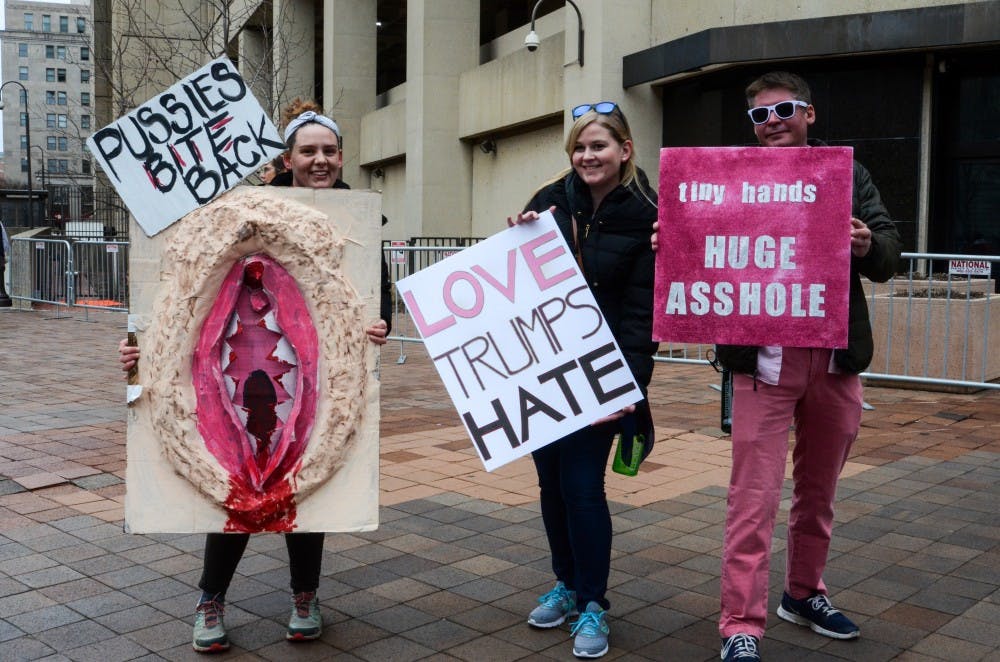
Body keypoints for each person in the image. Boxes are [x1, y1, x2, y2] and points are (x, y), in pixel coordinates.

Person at [119, 98, 391, 653]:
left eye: (330, 151)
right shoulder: (235, 211)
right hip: (234, 371)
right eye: (308, 151)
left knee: (311, 497)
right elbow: (158, 305)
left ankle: (305, 595)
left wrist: (380, 326)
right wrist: (139, 352)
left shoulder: (359, 225)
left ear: (342, 157)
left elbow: (374, 300)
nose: (321, 160)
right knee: (231, 496)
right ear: (287, 158)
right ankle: (210, 598)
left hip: (305, 382)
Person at [709, 72, 902, 662]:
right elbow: (702, 248)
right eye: (760, 115)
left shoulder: (847, 173)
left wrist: (869, 244)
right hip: (762, 359)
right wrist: (679, 247)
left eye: (784, 109)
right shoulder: (728, 177)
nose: (772, 122)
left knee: (818, 493)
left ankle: (803, 592)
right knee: (753, 497)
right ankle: (741, 622)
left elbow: (889, 252)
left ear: (809, 113)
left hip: (834, 358)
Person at [508, 101, 658, 659]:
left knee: (583, 489)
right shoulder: (547, 201)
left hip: (602, 375)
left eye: (599, 145)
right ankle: (566, 586)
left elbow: (644, 317)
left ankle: (593, 604)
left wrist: (627, 388)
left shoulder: (648, 214)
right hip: (542, 370)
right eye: (580, 147)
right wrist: (516, 238)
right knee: (551, 488)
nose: (588, 155)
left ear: (624, 150)